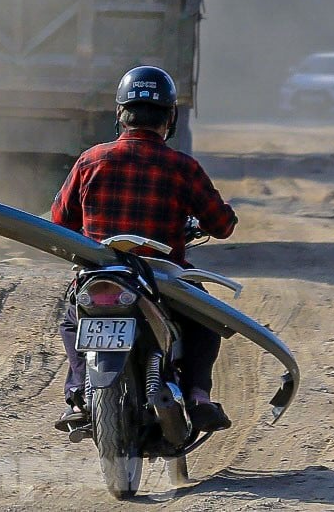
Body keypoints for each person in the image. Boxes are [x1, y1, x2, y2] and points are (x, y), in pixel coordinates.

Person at [51, 65, 238, 434]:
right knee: (205, 323)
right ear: (170, 117)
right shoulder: (183, 167)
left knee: (72, 321)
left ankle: (77, 392)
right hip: (161, 281)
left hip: (100, 276)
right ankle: (198, 396)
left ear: (120, 114)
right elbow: (222, 225)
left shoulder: (90, 161)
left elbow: (59, 223)